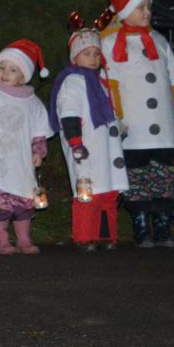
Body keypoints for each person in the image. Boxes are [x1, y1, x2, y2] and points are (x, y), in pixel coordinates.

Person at [100, 0, 174, 248]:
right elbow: (109, 84)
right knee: (137, 177)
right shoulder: (110, 42)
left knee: (163, 175)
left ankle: (162, 225)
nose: (147, 12)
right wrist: (115, 117)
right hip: (133, 127)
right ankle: (140, 225)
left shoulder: (159, 41)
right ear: (124, 10)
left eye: (148, 7)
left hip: (163, 127)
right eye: (140, 7)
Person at [0, 40, 54, 255]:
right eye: (2, 68)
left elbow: (39, 131)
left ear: (23, 76)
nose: (5, 73)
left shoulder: (33, 102)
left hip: (20, 162)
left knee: (23, 201)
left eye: (13, 70)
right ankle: (1, 240)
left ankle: (24, 239)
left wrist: (39, 151)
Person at [50, 20, 129, 252]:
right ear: (75, 57)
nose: (93, 58)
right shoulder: (72, 82)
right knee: (88, 191)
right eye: (86, 54)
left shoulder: (101, 82)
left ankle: (105, 236)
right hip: (85, 148)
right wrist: (75, 141)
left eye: (96, 53)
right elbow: (69, 113)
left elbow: (108, 111)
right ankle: (84, 237)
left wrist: (118, 125)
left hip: (105, 147)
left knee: (108, 192)